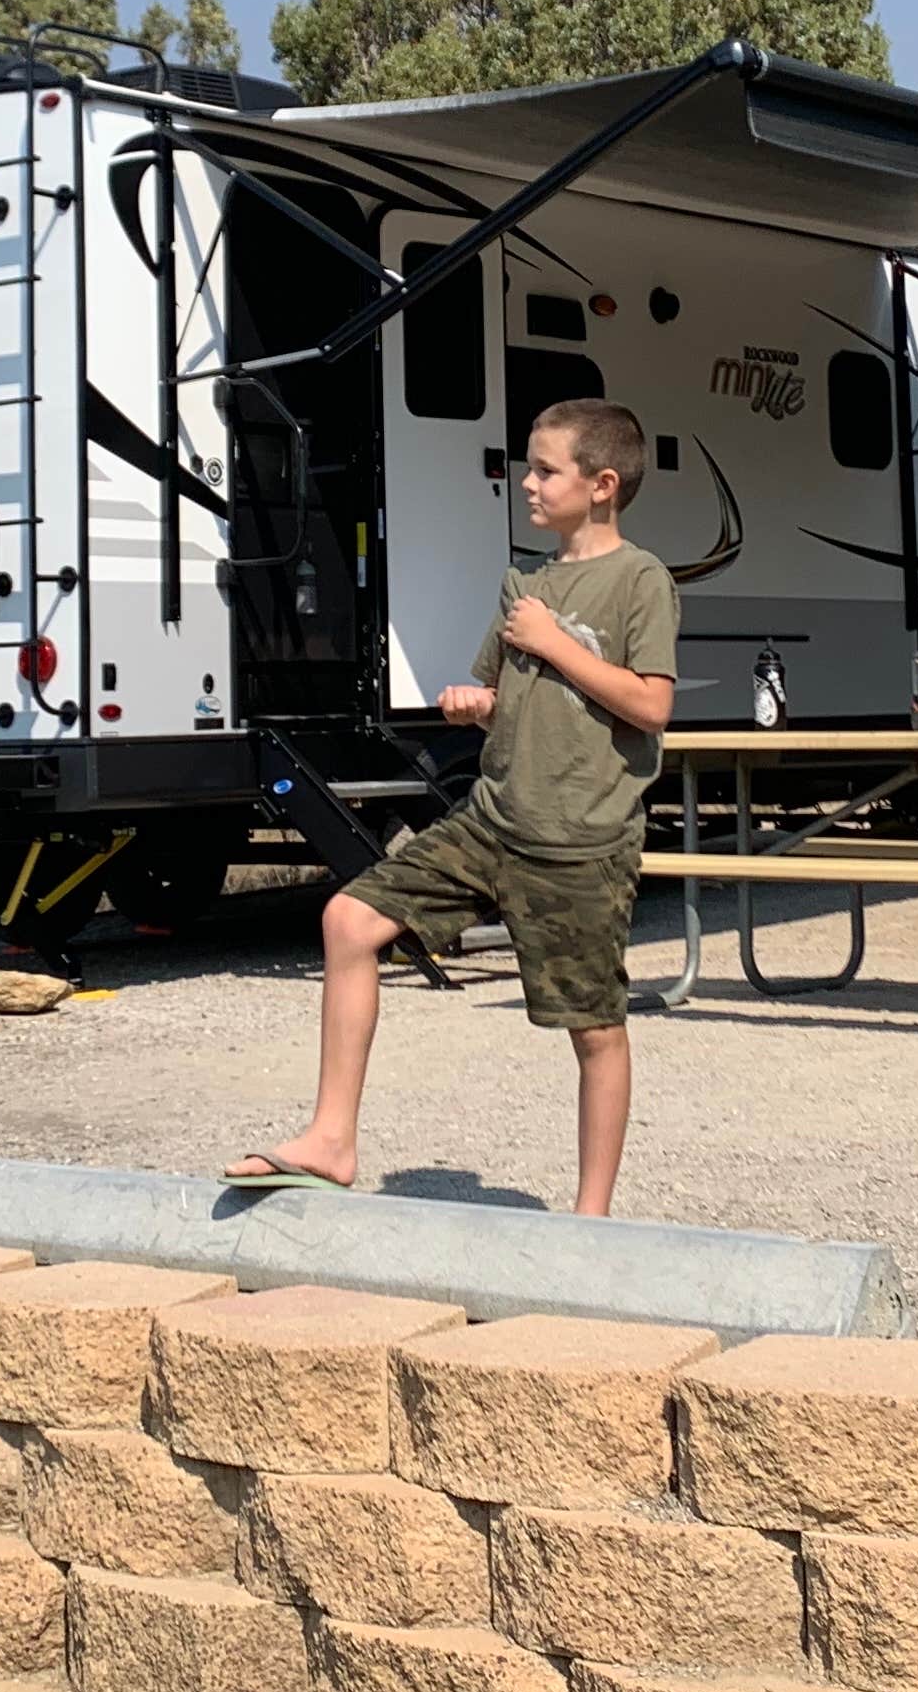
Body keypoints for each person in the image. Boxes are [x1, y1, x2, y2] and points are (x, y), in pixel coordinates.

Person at [225, 398, 680, 1215]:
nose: (528, 483)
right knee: (348, 921)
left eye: (547, 470)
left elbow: (649, 707)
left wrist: (554, 644)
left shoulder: (639, 579)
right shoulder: (526, 585)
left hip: (579, 840)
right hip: (492, 819)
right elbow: (511, 695)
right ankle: (331, 1140)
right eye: (529, 467)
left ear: (602, 484)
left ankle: (593, 1221)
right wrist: (478, 703)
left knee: (595, 1028)